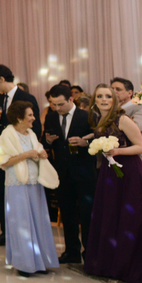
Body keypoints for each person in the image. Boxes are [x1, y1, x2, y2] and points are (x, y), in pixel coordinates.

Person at [83, 84, 142, 283]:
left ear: (115, 100)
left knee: (129, 219)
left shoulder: (123, 119)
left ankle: (128, 265)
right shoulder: (100, 120)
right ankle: (110, 264)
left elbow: (141, 146)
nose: (104, 99)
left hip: (129, 173)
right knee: (111, 216)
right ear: (95, 101)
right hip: (110, 174)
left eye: (108, 96)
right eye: (100, 96)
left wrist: (117, 152)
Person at [0, 101, 60, 276]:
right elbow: (2, 161)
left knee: (39, 220)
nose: (33, 118)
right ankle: (24, 264)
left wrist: (41, 154)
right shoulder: (6, 134)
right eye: (30, 115)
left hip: (34, 182)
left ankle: (41, 262)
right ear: (19, 117)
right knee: (21, 222)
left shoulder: (30, 133)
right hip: (17, 183)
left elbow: (36, 151)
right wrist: (26, 155)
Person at [0, 65, 41, 247]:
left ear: (1, 79)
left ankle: (19, 234)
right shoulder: (1, 98)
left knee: (16, 194)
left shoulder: (25, 97)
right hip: (2, 152)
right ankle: (6, 230)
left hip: (18, 154)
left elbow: (35, 127)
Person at [42, 84, 97, 264]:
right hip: (63, 173)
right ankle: (71, 251)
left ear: (71, 100)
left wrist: (84, 143)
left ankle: (89, 252)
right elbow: (46, 141)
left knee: (87, 213)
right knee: (67, 213)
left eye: (60, 104)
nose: (57, 109)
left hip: (84, 173)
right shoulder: (51, 117)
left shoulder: (86, 116)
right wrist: (47, 141)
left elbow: (98, 140)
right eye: (53, 104)